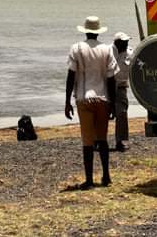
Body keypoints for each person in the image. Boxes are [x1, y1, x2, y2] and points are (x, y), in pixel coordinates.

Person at [65, 16, 117, 189]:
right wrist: (114, 104)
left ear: (86, 31)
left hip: (84, 98)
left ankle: (89, 180)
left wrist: (67, 101)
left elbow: (71, 76)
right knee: (102, 139)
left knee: (87, 141)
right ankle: (106, 176)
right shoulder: (107, 49)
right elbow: (111, 79)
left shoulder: (77, 48)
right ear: (98, 31)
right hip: (103, 99)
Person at [112, 32, 133, 152]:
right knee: (102, 114)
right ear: (116, 42)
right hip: (105, 86)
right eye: (123, 42)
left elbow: (139, 64)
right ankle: (97, 140)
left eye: (127, 41)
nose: (126, 44)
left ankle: (121, 140)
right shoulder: (107, 52)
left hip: (121, 87)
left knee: (122, 113)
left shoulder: (130, 53)